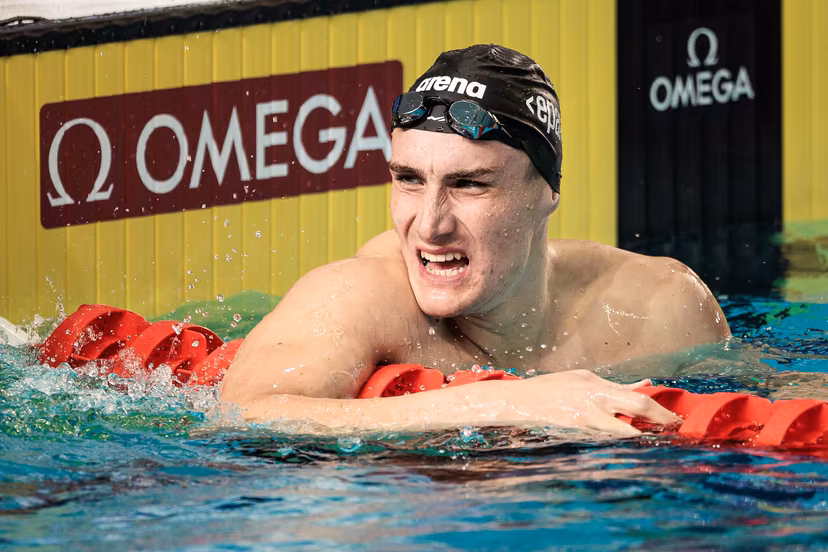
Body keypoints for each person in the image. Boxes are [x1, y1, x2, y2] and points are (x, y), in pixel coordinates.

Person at [220, 44, 730, 434]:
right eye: (410, 179)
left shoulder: (662, 306)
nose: (429, 225)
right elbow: (245, 413)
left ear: (547, 192)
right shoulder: (360, 297)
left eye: (469, 184)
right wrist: (510, 402)